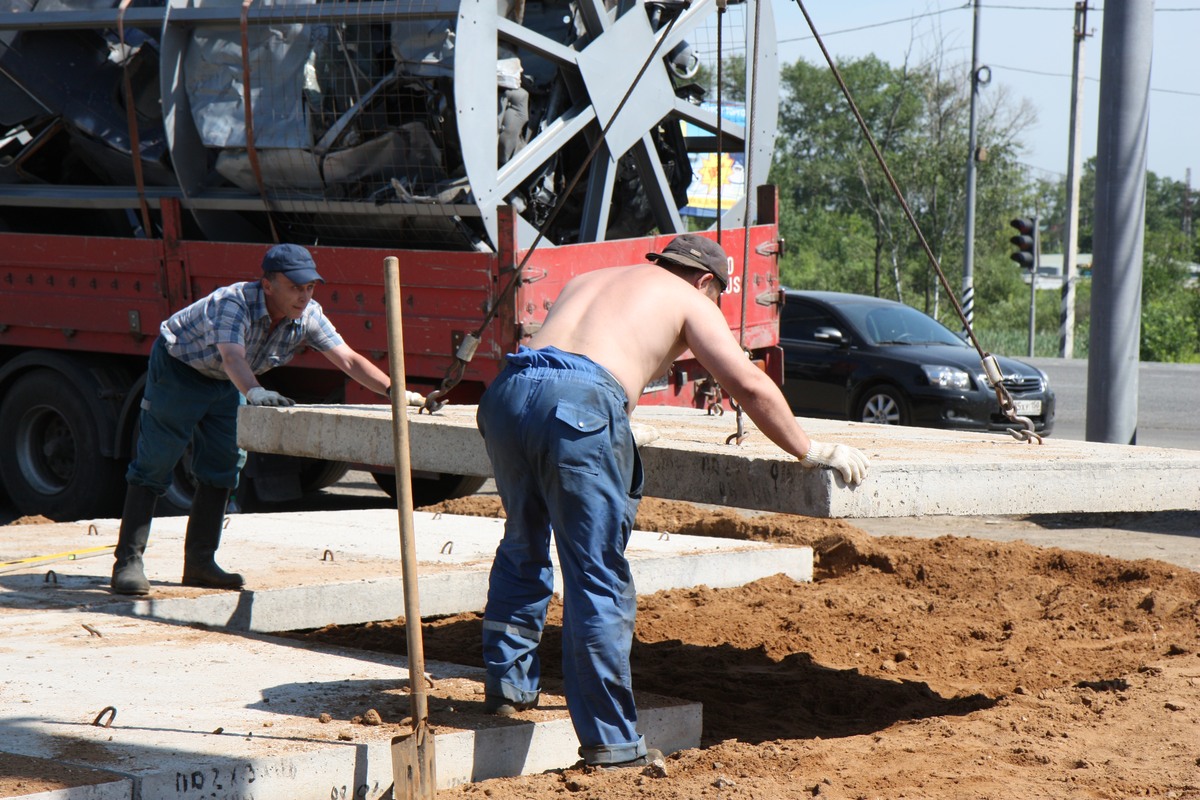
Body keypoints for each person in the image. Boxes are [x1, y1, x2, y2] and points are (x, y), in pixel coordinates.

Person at [475, 233, 869, 769]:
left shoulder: (590, 279)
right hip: (580, 405)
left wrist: (610, 421)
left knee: (523, 546)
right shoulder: (687, 298)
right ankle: (612, 747)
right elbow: (748, 384)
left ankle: (507, 688)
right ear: (707, 282)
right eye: (716, 298)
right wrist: (811, 448)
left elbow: (569, 363)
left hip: (510, 392)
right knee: (596, 578)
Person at [110, 243, 393, 596]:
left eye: (310, 287)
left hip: (227, 382)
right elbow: (232, 357)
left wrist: (396, 391)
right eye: (295, 287)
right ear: (268, 285)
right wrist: (255, 392)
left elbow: (348, 360)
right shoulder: (233, 303)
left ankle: (200, 562)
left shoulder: (308, 314)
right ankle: (128, 563)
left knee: (225, 463)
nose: (304, 296)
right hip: (181, 370)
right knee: (156, 461)